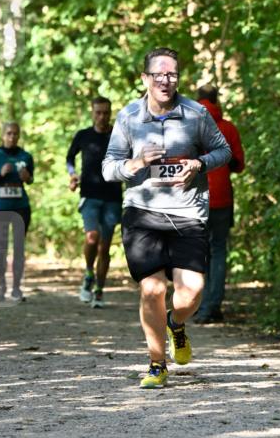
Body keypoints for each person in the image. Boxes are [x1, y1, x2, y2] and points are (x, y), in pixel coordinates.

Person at [102, 47, 231, 388]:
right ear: (145, 79)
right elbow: (108, 167)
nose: (166, 80)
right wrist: (135, 163)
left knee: (191, 293)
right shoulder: (128, 117)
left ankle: (175, 323)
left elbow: (224, 151)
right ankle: (157, 364)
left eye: (172, 75)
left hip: (188, 212)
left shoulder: (196, 114)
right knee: (152, 289)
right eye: (158, 75)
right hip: (142, 213)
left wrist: (199, 164)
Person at [194, 84, 245, 323]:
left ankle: (198, 305)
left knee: (197, 253)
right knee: (218, 251)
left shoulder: (188, 126)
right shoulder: (228, 128)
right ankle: (212, 306)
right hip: (222, 197)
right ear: (217, 100)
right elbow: (239, 164)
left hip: (194, 198)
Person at [66, 96, 122, 308]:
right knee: (92, 237)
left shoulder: (119, 135)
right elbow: (70, 158)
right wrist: (72, 175)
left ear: (110, 113)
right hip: (89, 195)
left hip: (112, 197)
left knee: (104, 247)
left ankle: (99, 290)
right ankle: (89, 272)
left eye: (106, 112)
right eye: (98, 112)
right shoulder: (83, 135)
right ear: (92, 112)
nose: (102, 117)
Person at [0, 122, 34, 303]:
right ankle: (1, 285)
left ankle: (16, 288)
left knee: (19, 248)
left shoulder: (26, 156)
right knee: (1, 248)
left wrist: (28, 177)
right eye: (9, 134)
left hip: (21, 207)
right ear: (3, 135)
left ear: (19, 136)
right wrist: (0, 174)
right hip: (0, 207)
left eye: (15, 134)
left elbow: (30, 179)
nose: (12, 137)